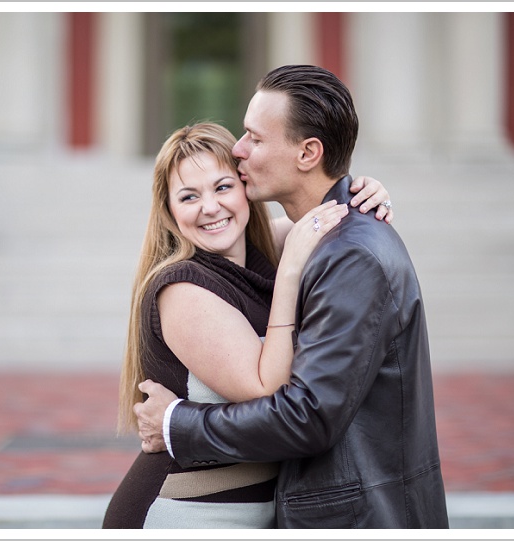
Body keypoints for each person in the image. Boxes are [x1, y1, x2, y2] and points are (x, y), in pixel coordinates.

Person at [134, 65, 449, 529]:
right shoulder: (309, 243)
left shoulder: (349, 256)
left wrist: (175, 423)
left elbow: (306, 417)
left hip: (357, 517)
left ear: (308, 153)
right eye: (189, 196)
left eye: (254, 138)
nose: (238, 150)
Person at [102, 122, 393, 529]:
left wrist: (365, 191)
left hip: (254, 515)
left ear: (245, 187)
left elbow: (333, 215)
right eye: (189, 196)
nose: (210, 207)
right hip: (184, 515)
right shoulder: (183, 288)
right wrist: (290, 272)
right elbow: (266, 391)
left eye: (223, 187)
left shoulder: (260, 248)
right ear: (169, 211)